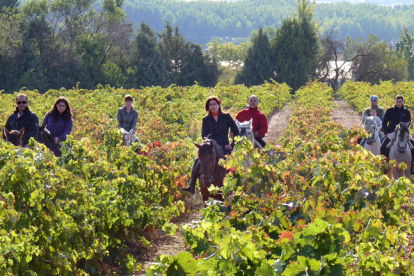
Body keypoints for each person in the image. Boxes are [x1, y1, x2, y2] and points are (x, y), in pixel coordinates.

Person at [182, 96, 240, 194]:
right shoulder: (206, 119)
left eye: (214, 104)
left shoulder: (226, 117)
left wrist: (232, 144)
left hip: (224, 146)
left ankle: (239, 186)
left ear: (218, 105)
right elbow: (204, 134)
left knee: (235, 163)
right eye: (210, 105)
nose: (213, 106)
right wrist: (207, 140)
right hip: (211, 146)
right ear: (208, 107)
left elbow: (236, 130)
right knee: (197, 161)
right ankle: (192, 185)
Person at [380, 94, 414, 173]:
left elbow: (408, 124)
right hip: (392, 132)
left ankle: (411, 167)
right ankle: (384, 166)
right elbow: (384, 123)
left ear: (402, 102)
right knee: (382, 147)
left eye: (400, 101)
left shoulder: (406, 112)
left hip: (404, 134)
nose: (398, 103)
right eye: (397, 101)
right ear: (395, 102)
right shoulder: (390, 110)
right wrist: (387, 133)